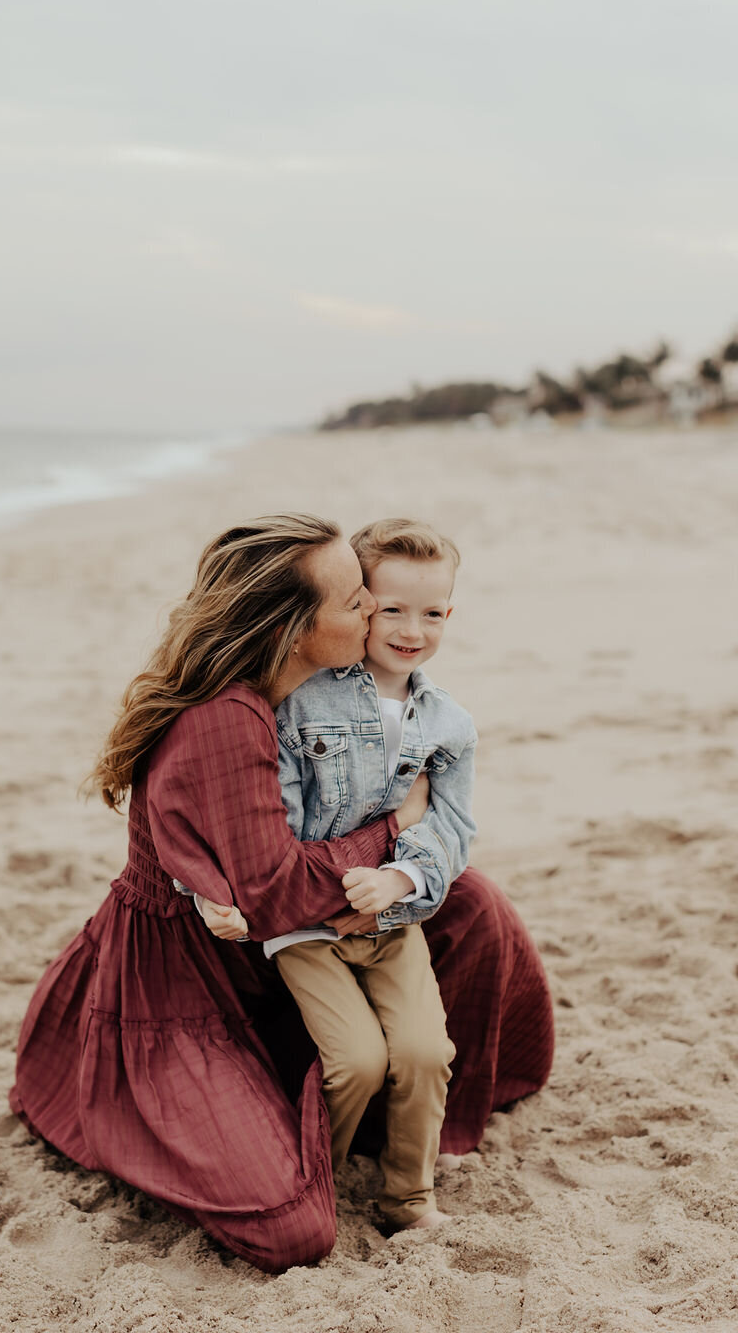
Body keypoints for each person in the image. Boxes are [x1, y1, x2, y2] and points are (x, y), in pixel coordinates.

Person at [9, 514, 554, 1273]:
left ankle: (385, 1110)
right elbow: (272, 894)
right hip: (190, 977)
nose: (375, 611)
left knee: (475, 903)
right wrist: (390, 832)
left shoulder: (316, 693)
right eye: (358, 601)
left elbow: (406, 833)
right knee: (293, 1229)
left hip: (273, 934)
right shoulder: (230, 719)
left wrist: (406, 865)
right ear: (298, 628)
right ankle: (283, 1117)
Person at [198, 518, 475, 1234]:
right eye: (390, 609)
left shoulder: (449, 725)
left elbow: (451, 829)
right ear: (360, 606)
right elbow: (270, 830)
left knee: (423, 1053)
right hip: (308, 930)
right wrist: (254, 895)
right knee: (355, 1062)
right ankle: (316, 1176)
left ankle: (407, 1199)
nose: (412, 630)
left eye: (433, 612)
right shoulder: (303, 703)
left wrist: (402, 884)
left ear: (452, 613)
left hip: (391, 917)